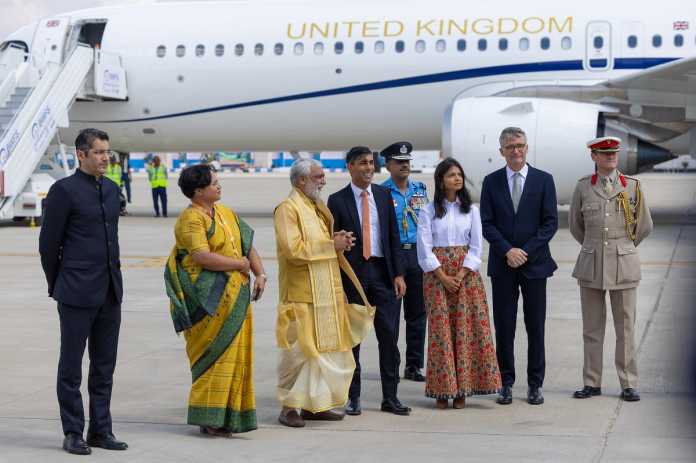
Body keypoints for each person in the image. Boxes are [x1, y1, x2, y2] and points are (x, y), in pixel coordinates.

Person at [39, 128, 128, 455]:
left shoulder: (111, 189)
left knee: (105, 367)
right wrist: (58, 284)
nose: (106, 157)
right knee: (71, 367)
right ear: (81, 155)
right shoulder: (64, 191)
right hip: (75, 292)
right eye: (99, 152)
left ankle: (100, 430)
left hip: (109, 292)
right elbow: (48, 245)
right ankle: (73, 431)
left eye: (108, 152)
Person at [164, 164, 265, 435]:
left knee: (236, 358)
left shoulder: (225, 213)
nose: (219, 186)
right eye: (214, 183)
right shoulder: (191, 219)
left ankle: (230, 417)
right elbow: (201, 256)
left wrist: (260, 273)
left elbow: (248, 243)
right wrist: (239, 264)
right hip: (208, 303)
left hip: (236, 299)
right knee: (213, 358)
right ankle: (209, 419)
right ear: (198, 191)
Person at [274, 158, 375, 428]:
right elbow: (293, 250)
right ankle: (289, 407)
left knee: (321, 353)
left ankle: (313, 407)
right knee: (299, 353)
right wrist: (332, 244)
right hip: (301, 294)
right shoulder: (288, 208)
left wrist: (337, 241)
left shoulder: (316, 208)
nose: (323, 180)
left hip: (325, 293)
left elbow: (320, 245)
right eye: (318, 176)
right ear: (300, 181)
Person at [569, 136, 653, 402]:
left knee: (625, 328)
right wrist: (595, 247)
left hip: (623, 264)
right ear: (594, 157)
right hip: (592, 265)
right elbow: (575, 225)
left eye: (613, 153)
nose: (610, 157)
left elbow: (644, 225)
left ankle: (628, 383)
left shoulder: (632, 186)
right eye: (605, 154)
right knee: (592, 329)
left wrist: (624, 246)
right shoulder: (584, 187)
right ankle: (591, 382)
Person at [327, 146, 409, 416]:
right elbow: (333, 241)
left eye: (371, 163)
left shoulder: (384, 196)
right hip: (354, 277)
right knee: (353, 341)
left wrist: (398, 274)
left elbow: (394, 238)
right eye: (362, 163)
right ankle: (353, 397)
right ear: (350, 167)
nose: (368, 168)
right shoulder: (336, 200)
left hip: (383, 275)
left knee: (389, 339)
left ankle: (391, 397)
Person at [480, 127, 558, 406]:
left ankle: (535, 385)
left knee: (535, 327)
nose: (516, 150)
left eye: (520, 145)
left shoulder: (543, 180)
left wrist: (524, 251)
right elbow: (486, 223)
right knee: (504, 327)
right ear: (501, 151)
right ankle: (505, 383)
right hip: (503, 266)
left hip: (535, 266)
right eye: (510, 146)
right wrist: (507, 250)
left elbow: (550, 223)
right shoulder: (491, 182)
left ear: (527, 148)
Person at [416, 157, 501, 409]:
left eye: (459, 175)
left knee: (467, 330)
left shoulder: (471, 210)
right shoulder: (428, 210)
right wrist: (442, 276)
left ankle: (463, 389)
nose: (457, 178)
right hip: (436, 276)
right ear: (441, 180)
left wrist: (461, 275)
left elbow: (476, 247)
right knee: (441, 332)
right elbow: (424, 248)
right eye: (451, 175)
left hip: (466, 276)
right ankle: (442, 390)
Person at [381, 141, 428, 382]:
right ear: (388, 165)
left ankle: (414, 365)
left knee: (417, 314)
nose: (404, 166)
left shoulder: (420, 189)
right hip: (395, 254)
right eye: (399, 162)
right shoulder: (382, 192)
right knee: (391, 314)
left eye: (407, 162)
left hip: (417, 255)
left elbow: (426, 222)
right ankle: (392, 364)